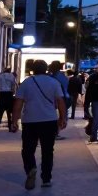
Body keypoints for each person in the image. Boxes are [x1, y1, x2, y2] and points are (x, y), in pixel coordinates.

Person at [10, 59, 67, 189]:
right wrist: (63, 118)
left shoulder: (26, 83)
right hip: (49, 121)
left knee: (28, 149)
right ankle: (46, 179)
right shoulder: (54, 82)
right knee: (47, 151)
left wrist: (14, 121)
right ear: (46, 69)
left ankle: (31, 168)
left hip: (30, 121)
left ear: (33, 69)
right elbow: (60, 102)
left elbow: (18, 104)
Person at [48, 61, 70, 140]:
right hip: (62, 97)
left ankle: (55, 132)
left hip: (57, 98)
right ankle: (55, 132)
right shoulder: (62, 77)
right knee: (61, 117)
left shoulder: (53, 77)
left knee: (59, 117)